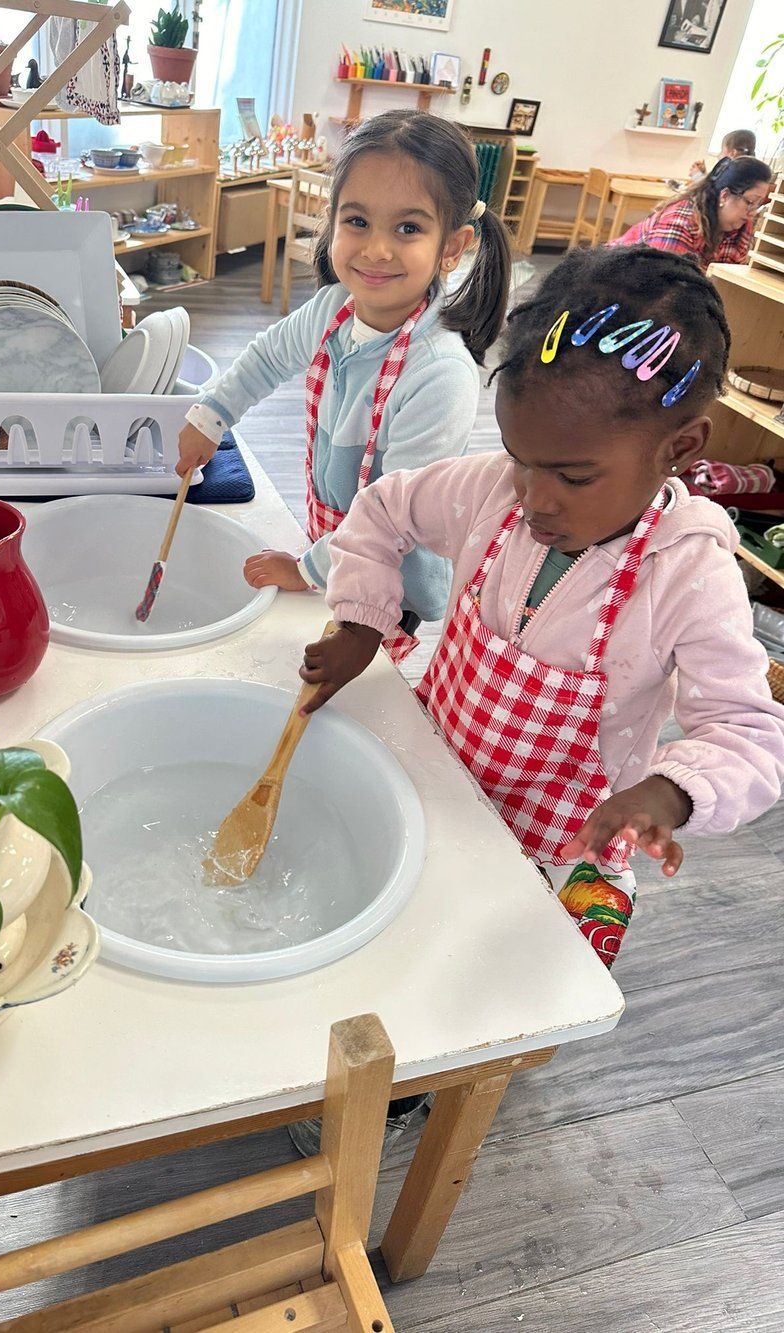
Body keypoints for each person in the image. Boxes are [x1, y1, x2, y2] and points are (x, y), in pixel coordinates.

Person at [298, 245, 784, 975]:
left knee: (493, 979)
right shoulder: (490, 489)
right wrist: (363, 618)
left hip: (561, 845)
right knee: (394, 940)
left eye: (573, 475)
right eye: (520, 456)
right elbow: (381, 509)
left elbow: (750, 733)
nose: (534, 497)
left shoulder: (689, 573)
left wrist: (673, 789)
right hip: (434, 778)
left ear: (679, 449)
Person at [176, 109, 512, 663]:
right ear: (331, 221)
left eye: (408, 229)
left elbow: (394, 521)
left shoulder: (440, 375)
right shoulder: (333, 308)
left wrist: (305, 569)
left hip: (389, 578)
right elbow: (267, 357)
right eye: (357, 221)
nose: (377, 249)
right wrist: (209, 418)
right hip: (334, 539)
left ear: (452, 247)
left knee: (360, 691)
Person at [611, 155, 772, 271]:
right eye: (750, 202)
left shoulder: (741, 227)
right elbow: (661, 283)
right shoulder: (680, 221)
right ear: (724, 196)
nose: (752, 212)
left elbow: (730, 280)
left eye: (758, 204)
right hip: (616, 282)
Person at [690, 127, 756, 179]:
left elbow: (710, 192)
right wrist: (704, 175)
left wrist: (697, 175)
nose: (718, 156)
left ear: (733, 153)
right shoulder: (750, 171)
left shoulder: (732, 173)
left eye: (721, 151)